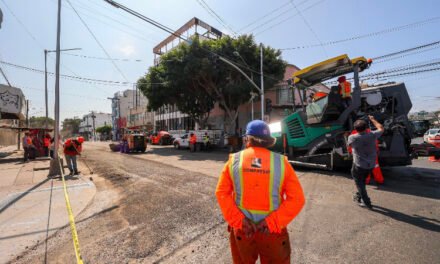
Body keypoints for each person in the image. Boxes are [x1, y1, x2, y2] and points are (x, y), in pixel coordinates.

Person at [216, 120, 305, 263]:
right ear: (268, 141)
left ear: (247, 139)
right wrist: (272, 222)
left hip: (243, 230)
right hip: (271, 232)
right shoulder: (281, 163)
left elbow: (221, 193)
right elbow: (297, 199)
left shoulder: (234, 161)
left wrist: (240, 221)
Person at [347, 115, 384, 209]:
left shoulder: (352, 137)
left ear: (355, 129)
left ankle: (366, 202)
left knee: (359, 183)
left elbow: (349, 146)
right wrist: (372, 119)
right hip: (370, 164)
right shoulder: (372, 134)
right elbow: (381, 127)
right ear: (366, 128)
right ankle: (359, 195)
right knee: (362, 181)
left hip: (358, 165)